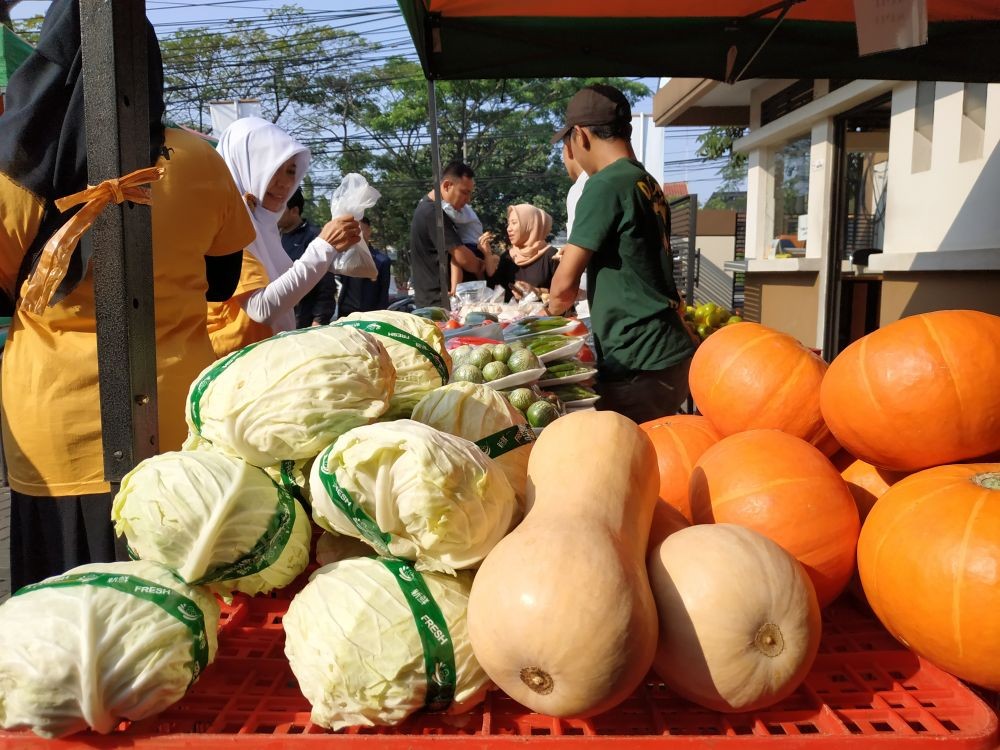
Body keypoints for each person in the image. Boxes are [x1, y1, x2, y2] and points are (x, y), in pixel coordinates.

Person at [0, 0, 256, 589]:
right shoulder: (197, 159)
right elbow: (221, 283)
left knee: (62, 614)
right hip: (173, 424)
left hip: (54, 428)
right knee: (177, 613)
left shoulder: (13, 174)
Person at [546, 84, 696, 424]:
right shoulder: (645, 181)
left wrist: (549, 314)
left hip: (637, 359)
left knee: (633, 466)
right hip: (667, 350)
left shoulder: (604, 184)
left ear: (580, 136)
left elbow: (561, 288)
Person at [207, 117, 361, 355]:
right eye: (271, 168)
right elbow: (261, 308)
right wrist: (323, 247)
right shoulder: (229, 222)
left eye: (291, 171)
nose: (285, 183)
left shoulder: (262, 224)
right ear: (244, 165)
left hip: (262, 361)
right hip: (233, 369)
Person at [409, 161, 486, 307]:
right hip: (436, 303)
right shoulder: (433, 214)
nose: (468, 200)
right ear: (446, 186)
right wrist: (483, 265)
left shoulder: (434, 210)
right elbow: (462, 257)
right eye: (464, 192)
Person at [278, 188, 337, 327]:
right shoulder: (272, 237)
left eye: (280, 209)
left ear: (294, 211)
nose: (274, 213)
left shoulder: (314, 238)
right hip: (278, 318)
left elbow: (326, 284)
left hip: (304, 321)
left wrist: (319, 320)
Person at [486, 204, 559, 301]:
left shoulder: (551, 255)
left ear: (530, 224)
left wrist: (537, 291)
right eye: (509, 223)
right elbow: (495, 290)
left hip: (543, 315)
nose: (509, 228)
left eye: (514, 223)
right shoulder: (508, 256)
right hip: (510, 315)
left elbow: (564, 293)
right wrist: (487, 254)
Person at [337, 217, 392, 317]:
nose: (356, 234)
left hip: (369, 315)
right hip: (345, 313)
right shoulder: (342, 258)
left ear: (368, 231)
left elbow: (383, 296)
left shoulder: (382, 261)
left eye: (359, 230)